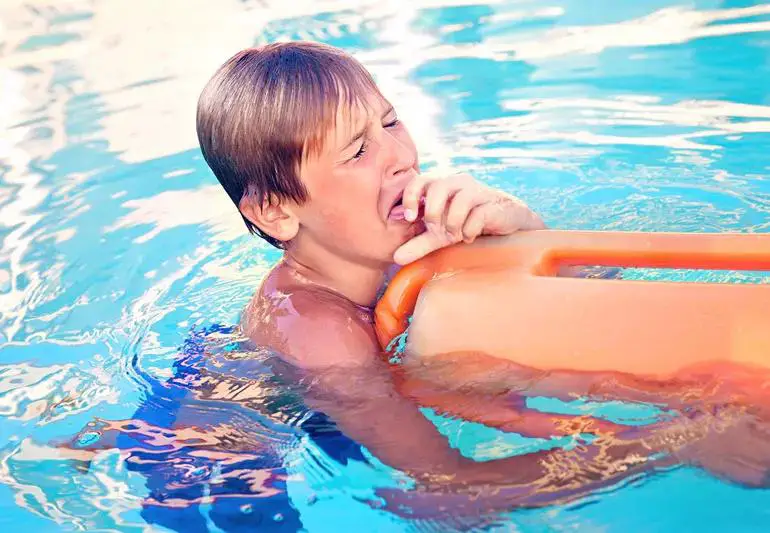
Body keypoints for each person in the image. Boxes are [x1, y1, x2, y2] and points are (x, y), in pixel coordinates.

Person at [194, 41, 770, 518]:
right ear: (274, 210)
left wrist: (522, 232)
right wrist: (675, 446)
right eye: (357, 151)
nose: (400, 155)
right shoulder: (316, 331)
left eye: (391, 121)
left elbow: (602, 302)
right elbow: (447, 493)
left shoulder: (395, 252)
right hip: (214, 460)